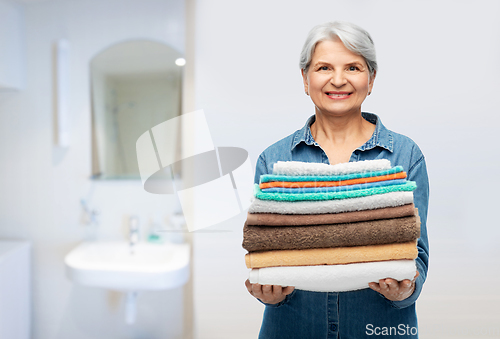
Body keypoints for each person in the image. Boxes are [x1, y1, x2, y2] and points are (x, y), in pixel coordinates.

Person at [244, 21, 429, 338]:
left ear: (370, 80)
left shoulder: (405, 156)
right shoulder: (274, 161)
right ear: (305, 78)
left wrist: (405, 289)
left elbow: (417, 253)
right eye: (324, 67)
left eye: (353, 67)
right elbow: (265, 245)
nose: (339, 80)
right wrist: (270, 294)